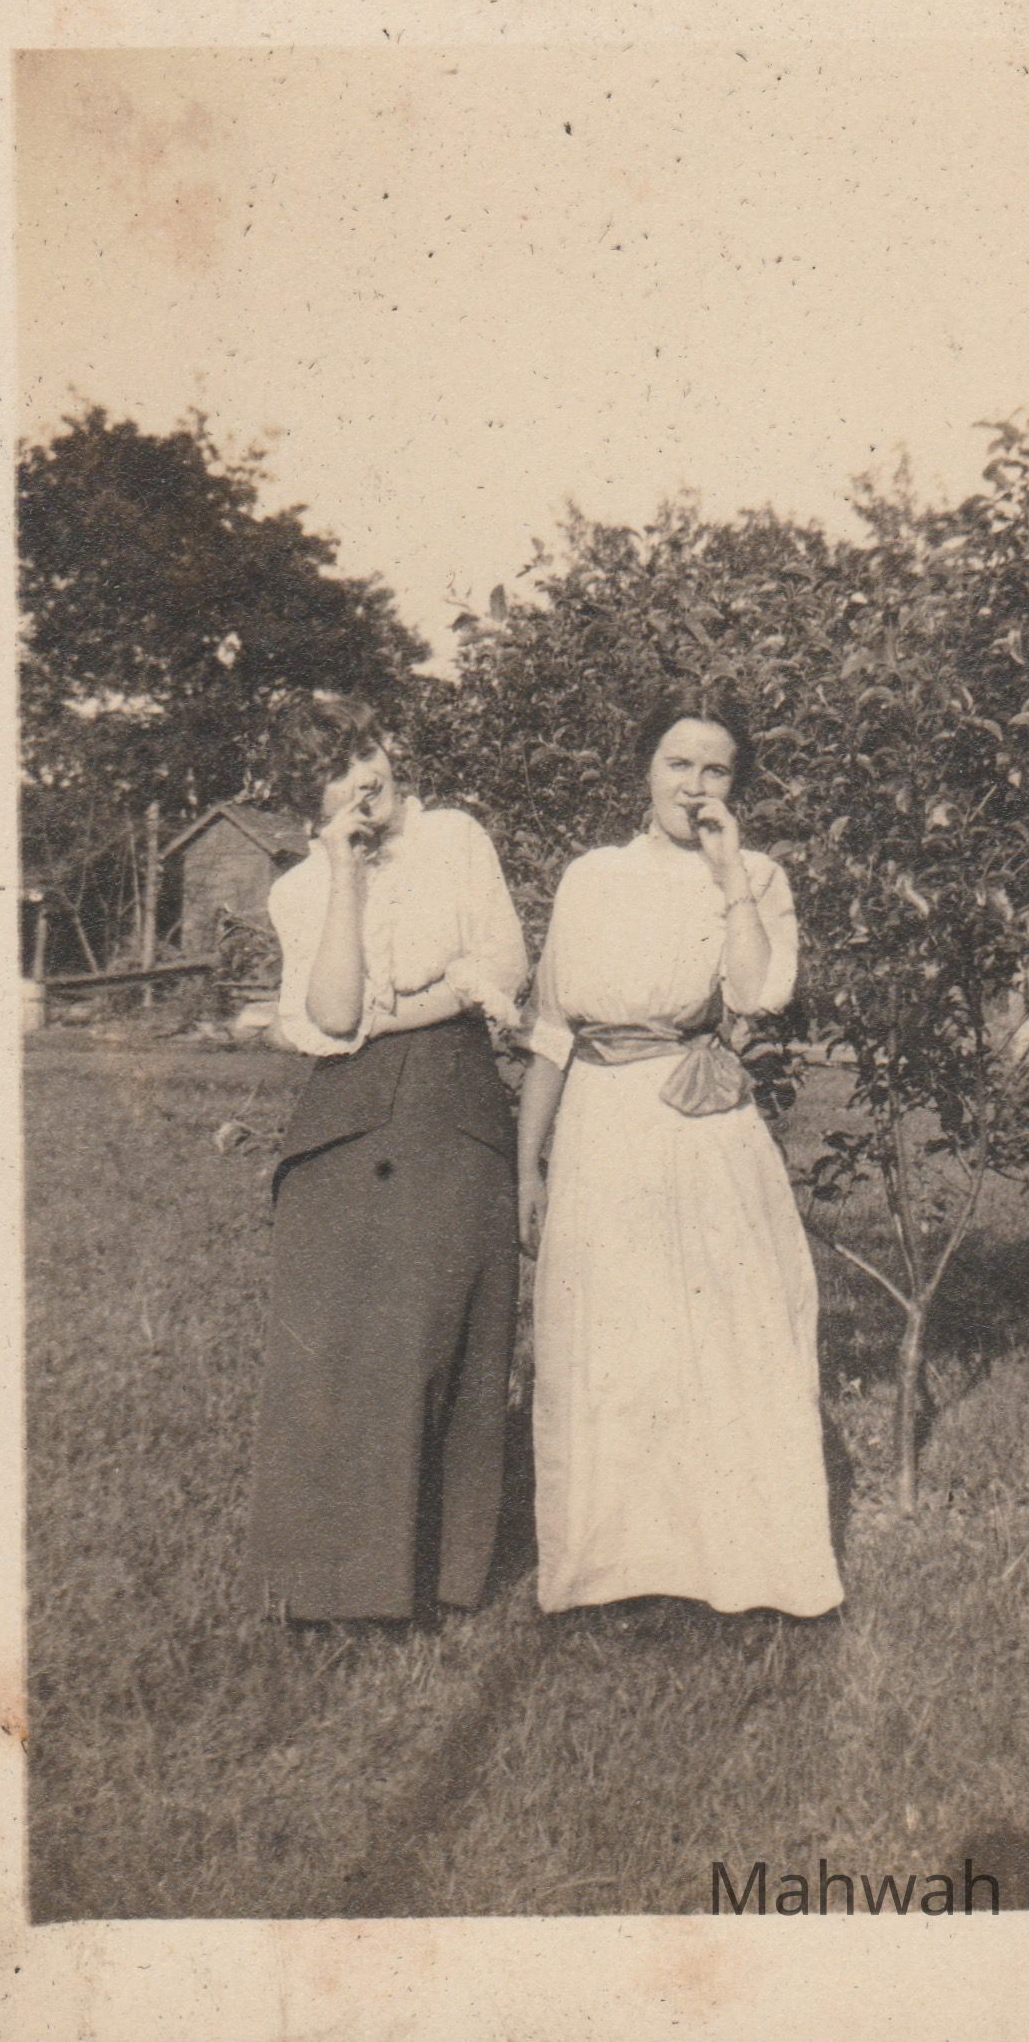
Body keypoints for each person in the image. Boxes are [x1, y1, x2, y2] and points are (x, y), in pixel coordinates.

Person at [517, 688, 844, 1619]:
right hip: (599, 1125)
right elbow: (551, 1032)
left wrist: (730, 872)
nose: (695, 786)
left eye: (716, 770)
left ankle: (738, 1566)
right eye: (678, 764)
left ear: (736, 788)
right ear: (644, 770)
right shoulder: (590, 877)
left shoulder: (756, 877)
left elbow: (758, 992)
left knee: (718, 1331)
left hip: (696, 1123)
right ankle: (614, 1568)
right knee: (612, 1337)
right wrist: (526, 1166)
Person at [244, 694, 527, 1626]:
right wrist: (345, 877)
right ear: (310, 804)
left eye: (367, 749)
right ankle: (327, 1590)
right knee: (332, 1353)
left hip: (450, 1103)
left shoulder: (456, 837)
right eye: (337, 770)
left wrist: (386, 1012)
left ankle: (433, 1581)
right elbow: (331, 1017)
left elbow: (501, 968)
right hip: (341, 1126)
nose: (365, 775)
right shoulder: (299, 890)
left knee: (439, 1340)